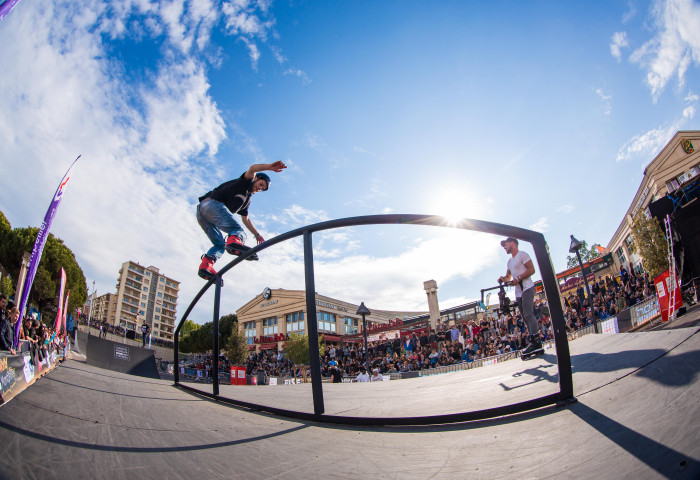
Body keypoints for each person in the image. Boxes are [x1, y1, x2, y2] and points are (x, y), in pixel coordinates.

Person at [196, 161, 287, 280]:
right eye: (260, 184)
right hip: (212, 204)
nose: (259, 188)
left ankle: (206, 265)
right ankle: (234, 243)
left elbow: (246, 219)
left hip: (202, 214)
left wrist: (257, 235)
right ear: (256, 178)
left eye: (262, 188)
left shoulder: (246, 200)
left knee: (219, 245)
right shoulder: (246, 182)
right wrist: (269, 167)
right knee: (238, 231)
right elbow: (252, 168)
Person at [498, 237, 543, 357]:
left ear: (513, 243)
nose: (504, 247)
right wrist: (503, 279)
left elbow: (532, 269)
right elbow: (508, 277)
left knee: (529, 314)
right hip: (518, 292)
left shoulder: (522, 255)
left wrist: (518, 278)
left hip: (527, 287)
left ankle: (537, 342)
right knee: (524, 317)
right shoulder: (509, 261)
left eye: (506, 244)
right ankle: (533, 341)